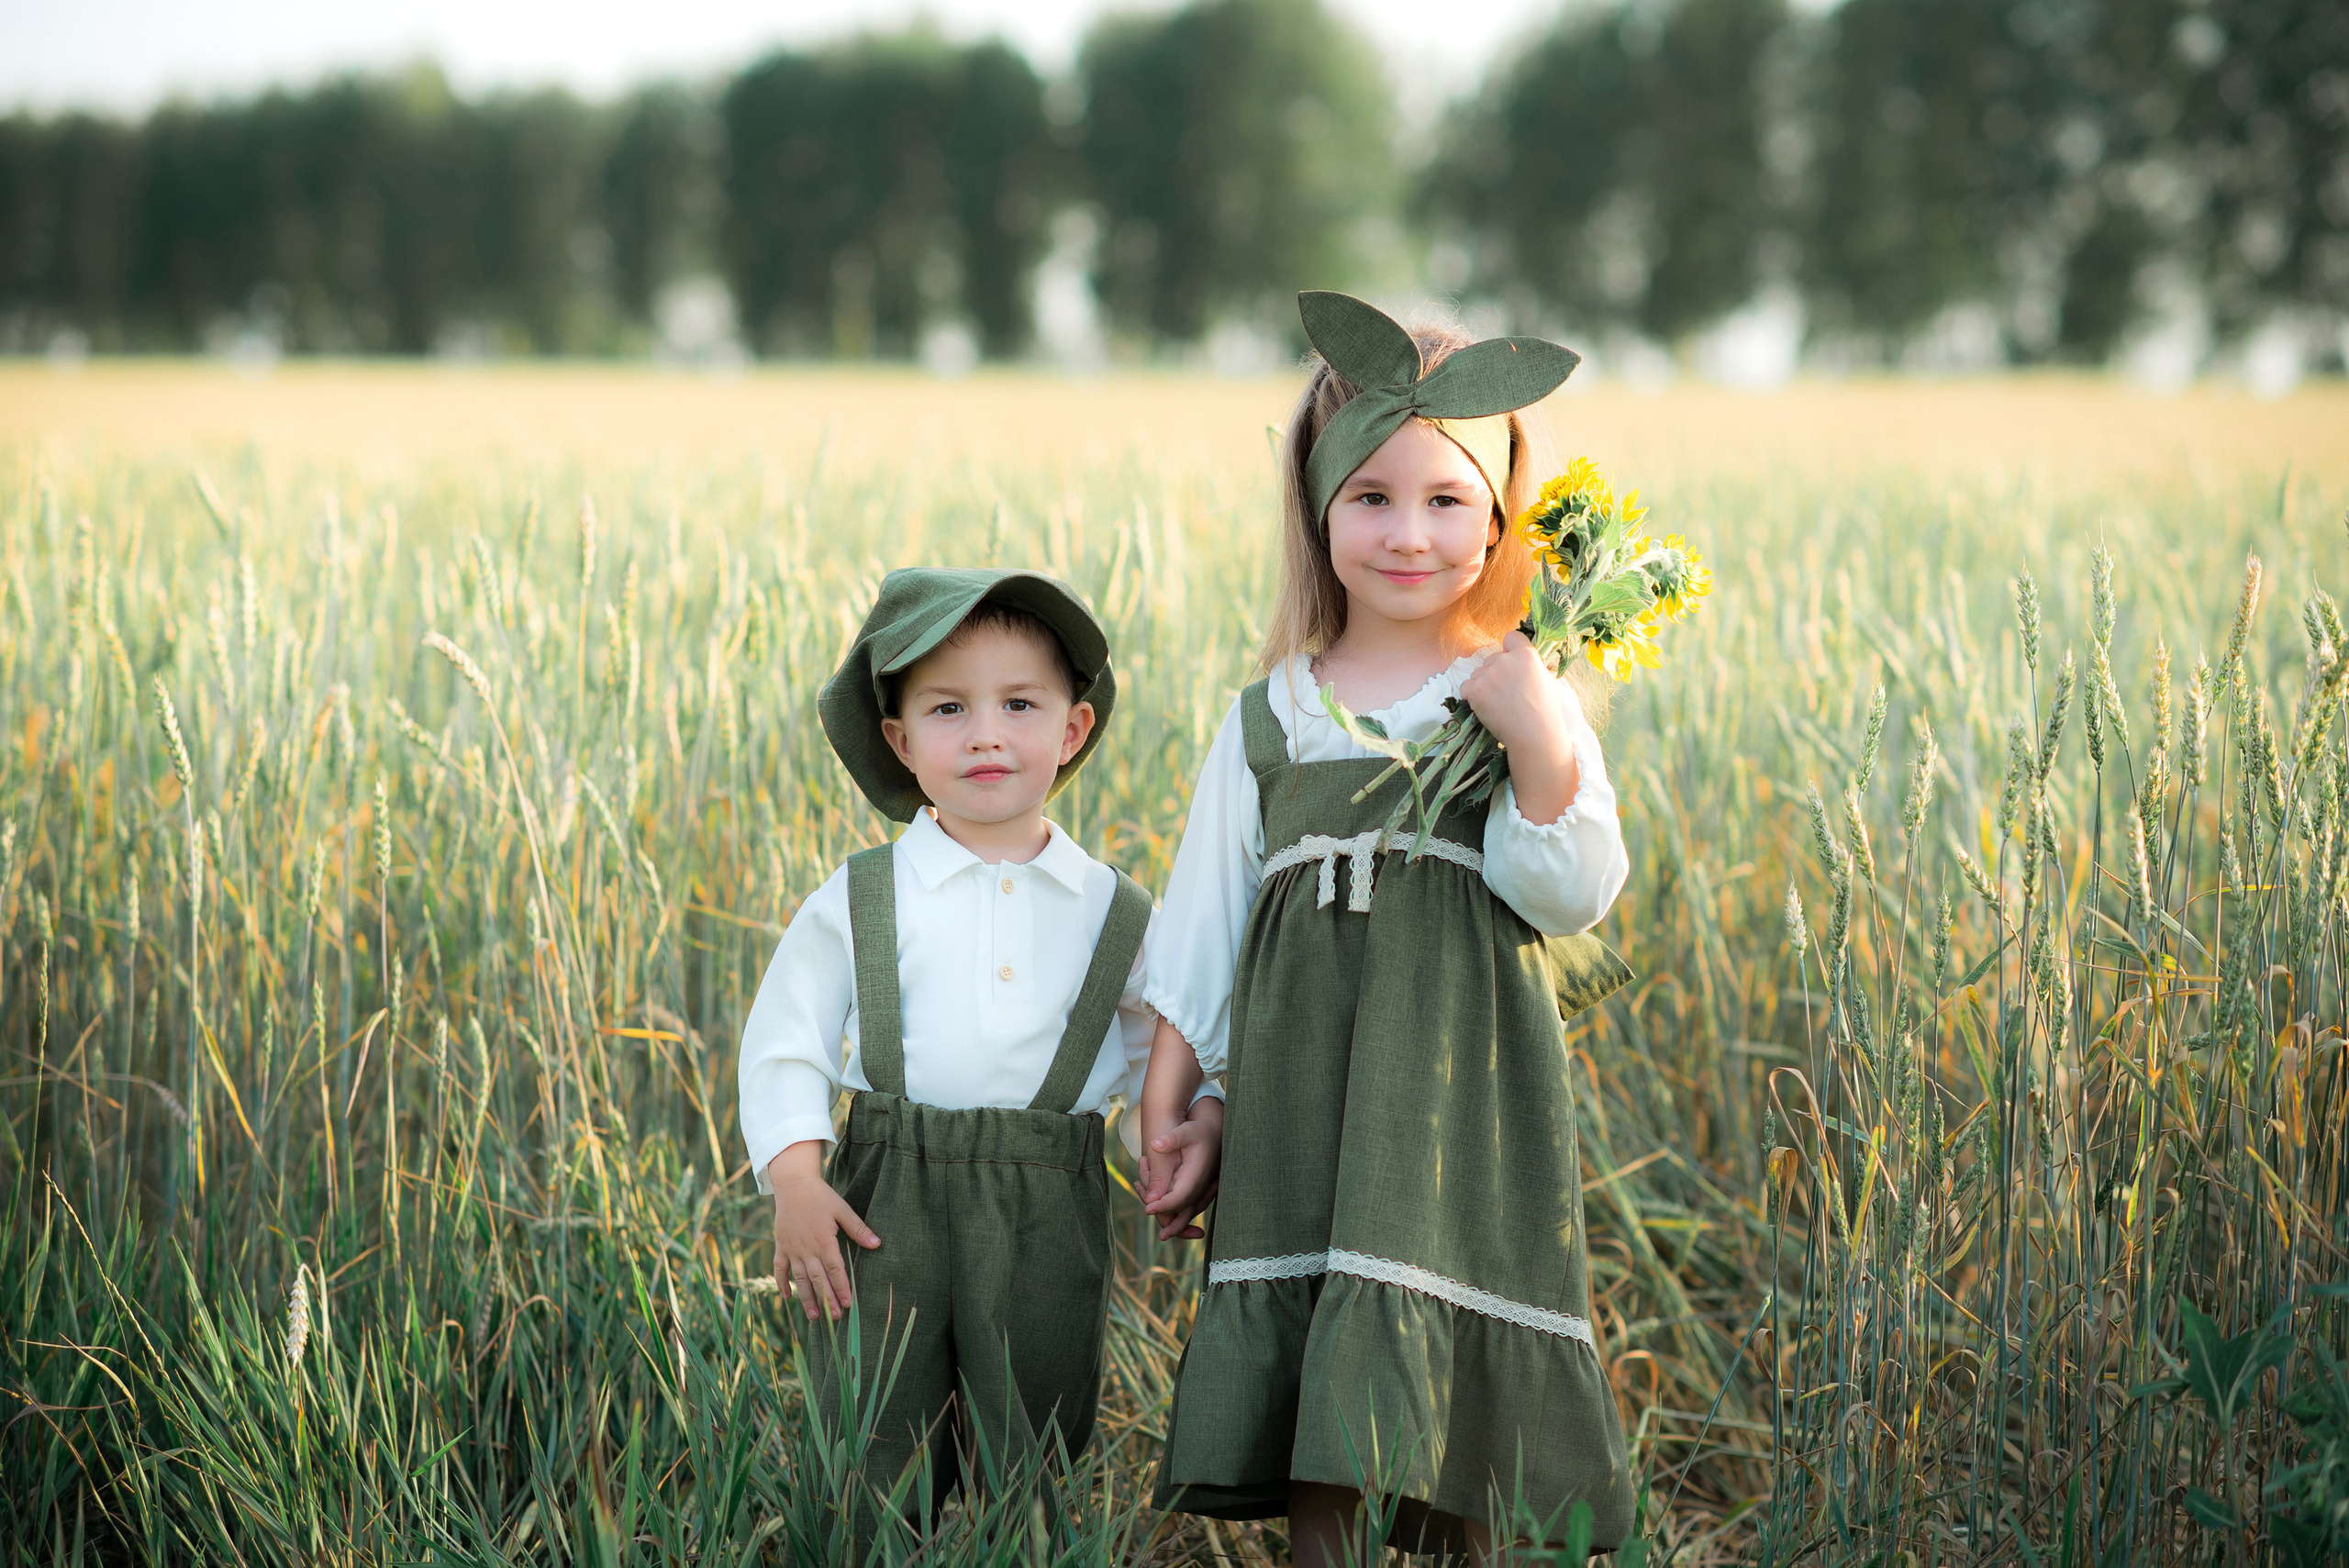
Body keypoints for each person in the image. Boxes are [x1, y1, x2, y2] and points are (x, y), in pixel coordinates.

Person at [1137, 292, 1639, 1560]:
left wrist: (1536, 740)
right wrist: (1179, 1101)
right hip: (1307, 1097)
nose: (1407, 533)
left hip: (1458, 1099)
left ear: (1500, 514)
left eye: (1445, 500)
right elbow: (1203, 921)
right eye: (1370, 496)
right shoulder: (1274, 713)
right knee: (1329, 1414)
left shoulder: (1518, 689)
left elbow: (1568, 889)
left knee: (1455, 1403)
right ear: (1317, 508)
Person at [736, 566, 1220, 1505]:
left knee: (1035, 1426)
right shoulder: (861, 896)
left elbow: (1166, 1050)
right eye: (949, 707)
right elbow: (784, 1038)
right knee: (874, 1429)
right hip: (887, 1202)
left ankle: (1024, 1538)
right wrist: (796, 1176)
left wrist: (1174, 1145)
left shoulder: (1114, 912)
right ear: (900, 740)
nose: (987, 733)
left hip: (1048, 1200)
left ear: (1071, 729)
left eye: (1020, 703)